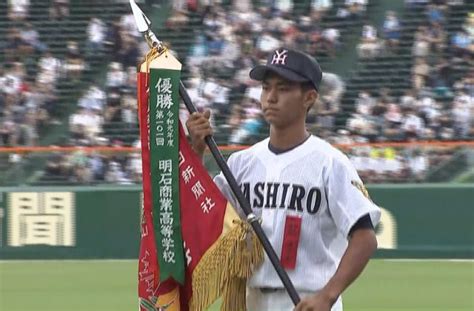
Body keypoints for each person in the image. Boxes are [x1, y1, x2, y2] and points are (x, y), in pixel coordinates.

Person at [186, 48, 381, 311]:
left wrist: (328, 296)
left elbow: (365, 238)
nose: (271, 97)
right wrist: (195, 152)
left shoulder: (330, 162)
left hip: (307, 298)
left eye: (284, 88)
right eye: (266, 88)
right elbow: (201, 216)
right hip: (251, 298)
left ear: (309, 97)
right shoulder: (242, 163)